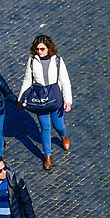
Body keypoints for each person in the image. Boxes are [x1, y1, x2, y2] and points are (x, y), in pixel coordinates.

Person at [18, 33, 72, 168]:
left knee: (58, 125)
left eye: (42, 49)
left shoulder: (58, 61)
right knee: (45, 127)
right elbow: (27, 81)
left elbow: (65, 81)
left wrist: (68, 100)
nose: (39, 51)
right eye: (37, 49)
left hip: (55, 97)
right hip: (40, 98)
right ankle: (48, 156)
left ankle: (63, 136)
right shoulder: (32, 61)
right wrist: (20, 99)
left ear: (48, 48)